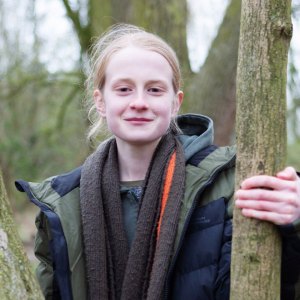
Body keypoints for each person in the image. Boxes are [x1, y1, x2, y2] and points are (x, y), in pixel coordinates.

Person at [15, 24, 300, 300]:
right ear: (100, 102)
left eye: (154, 90)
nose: (139, 102)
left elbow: (280, 285)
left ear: (175, 103)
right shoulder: (61, 204)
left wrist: (295, 224)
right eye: (124, 89)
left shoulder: (230, 182)